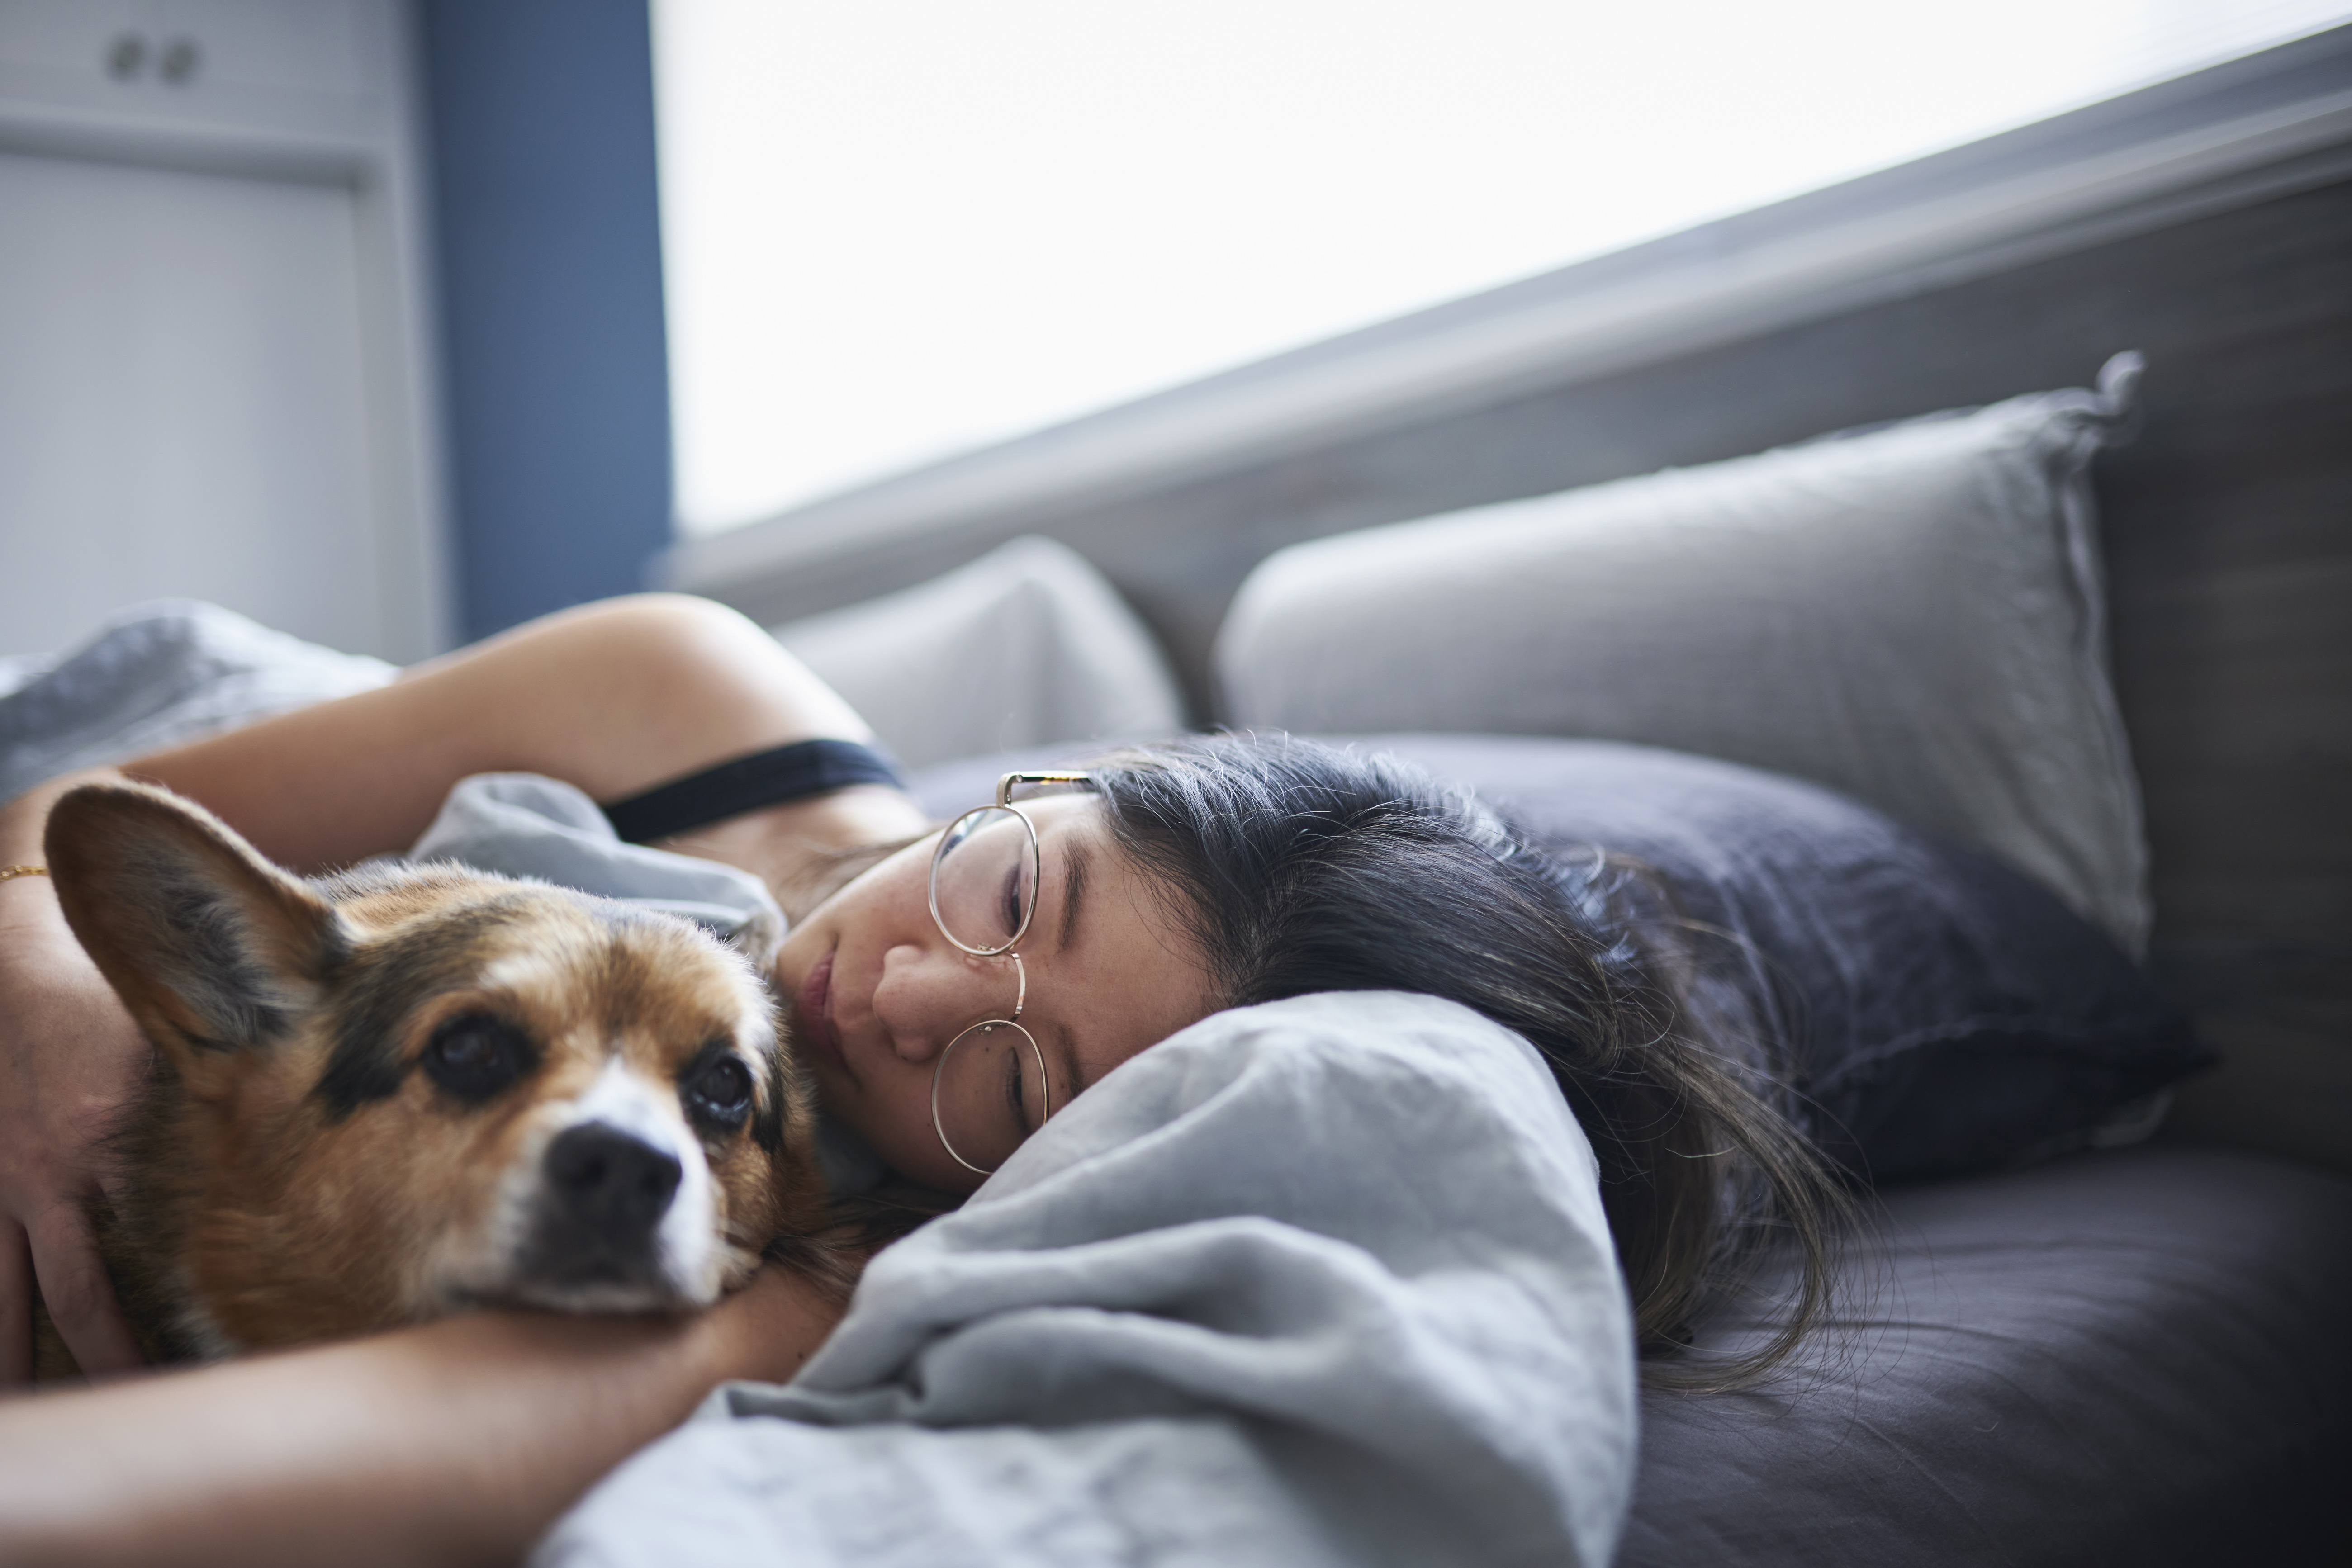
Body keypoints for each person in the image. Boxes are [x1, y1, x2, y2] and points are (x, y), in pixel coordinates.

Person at [0, 593, 1842, 1564]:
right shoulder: (681, 684)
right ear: (1049, 783)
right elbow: (45, 847)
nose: (895, 991)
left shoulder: (843, 1239)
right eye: (1012, 889)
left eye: (1014, 1083)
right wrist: (52, 999)